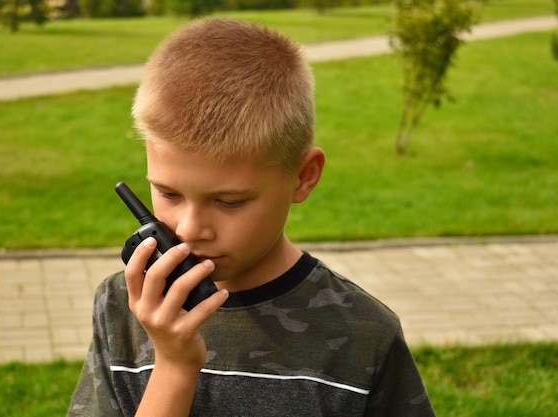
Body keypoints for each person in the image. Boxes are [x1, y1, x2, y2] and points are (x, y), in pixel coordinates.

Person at [68, 17, 435, 417]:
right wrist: (173, 366)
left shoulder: (364, 335)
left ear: (303, 177)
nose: (190, 229)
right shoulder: (124, 308)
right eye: (169, 193)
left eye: (229, 201)